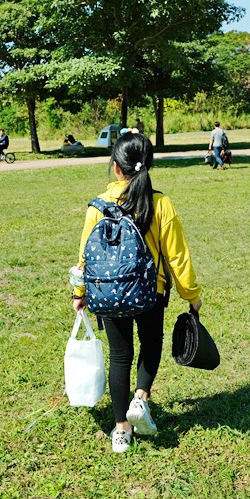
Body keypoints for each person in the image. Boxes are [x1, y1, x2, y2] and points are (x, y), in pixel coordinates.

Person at [72, 131, 202, 453]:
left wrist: (79, 292)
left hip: (107, 294)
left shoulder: (96, 208)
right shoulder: (160, 204)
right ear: (148, 166)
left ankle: (120, 431)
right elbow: (177, 256)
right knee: (151, 342)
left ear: (116, 167)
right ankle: (141, 398)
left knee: (119, 356)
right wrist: (192, 295)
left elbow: (84, 258)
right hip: (150, 293)